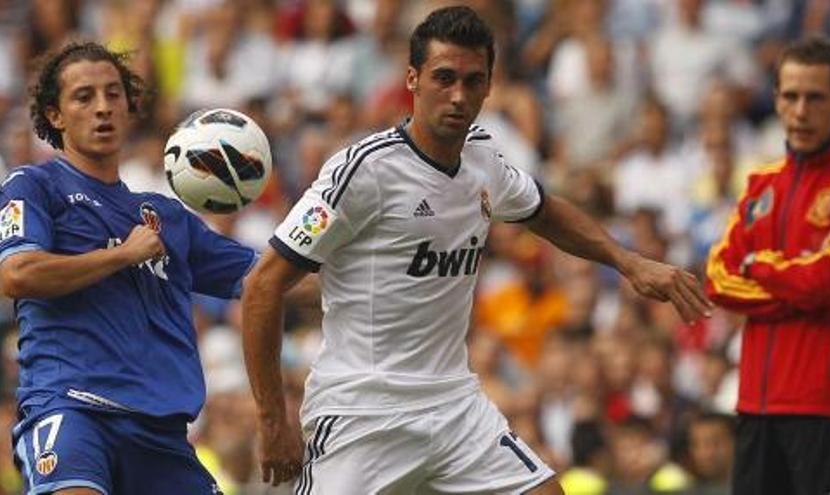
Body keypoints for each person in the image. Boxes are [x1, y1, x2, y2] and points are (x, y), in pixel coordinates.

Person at [242, 6, 712, 494]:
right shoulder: (365, 171)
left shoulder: (483, 158)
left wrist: (629, 262)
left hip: (453, 404)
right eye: (444, 78)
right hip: (364, 410)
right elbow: (263, 285)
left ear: (490, 85)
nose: (459, 96)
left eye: (474, 80)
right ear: (413, 79)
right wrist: (273, 420)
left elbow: (545, 210)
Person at [0, 41, 258, 494]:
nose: (103, 108)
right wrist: (121, 254)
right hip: (73, 411)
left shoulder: (167, 217)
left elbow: (267, 278)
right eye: (84, 97)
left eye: (113, 94)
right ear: (55, 115)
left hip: (162, 436)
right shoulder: (34, 186)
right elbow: (17, 274)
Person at [705, 37, 830, 495]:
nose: (800, 111)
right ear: (777, 99)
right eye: (790, 96)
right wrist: (793, 282)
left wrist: (758, 263)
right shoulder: (761, 183)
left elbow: (826, 278)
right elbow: (718, 278)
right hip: (755, 405)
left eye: (815, 97)